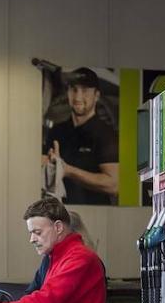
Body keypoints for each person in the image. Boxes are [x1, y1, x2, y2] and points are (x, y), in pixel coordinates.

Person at [43, 68, 119, 205]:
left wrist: (68, 171)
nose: (78, 97)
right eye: (74, 89)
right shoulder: (57, 130)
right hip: (59, 213)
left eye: (85, 90)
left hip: (94, 214)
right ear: (68, 92)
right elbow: (43, 165)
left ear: (96, 95)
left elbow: (113, 185)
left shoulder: (106, 134)